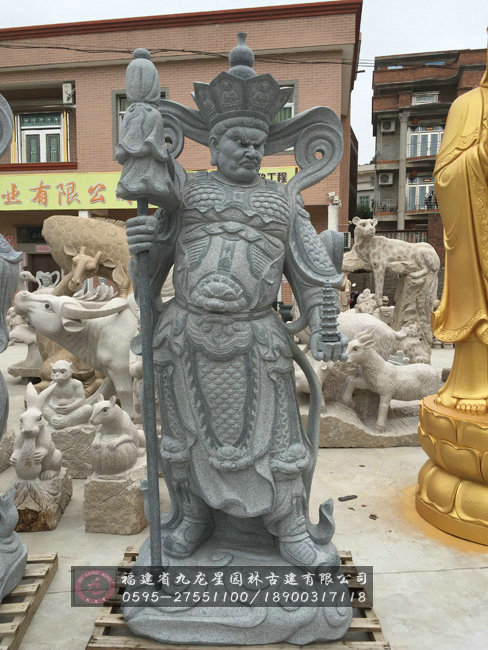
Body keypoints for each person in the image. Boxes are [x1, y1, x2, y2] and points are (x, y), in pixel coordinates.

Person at [124, 38, 347, 569]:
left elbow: (313, 273)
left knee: (277, 439)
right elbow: (153, 272)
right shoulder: (186, 195)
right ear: (213, 145)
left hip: (257, 339)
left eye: (257, 143)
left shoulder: (284, 202)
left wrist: (324, 324)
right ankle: (193, 518)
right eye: (238, 142)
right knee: (184, 439)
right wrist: (141, 247)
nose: (249, 151)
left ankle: (290, 527)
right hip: (186, 336)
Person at [431, 47, 488, 414]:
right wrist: (480, 156)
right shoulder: (466, 106)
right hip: (478, 228)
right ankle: (474, 383)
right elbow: (444, 175)